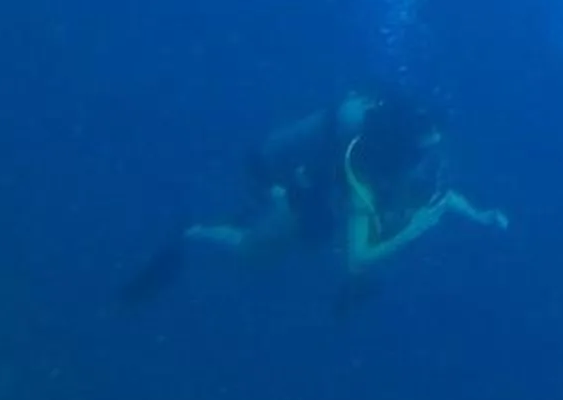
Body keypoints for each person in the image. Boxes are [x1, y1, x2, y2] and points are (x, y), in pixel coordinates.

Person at [122, 90, 508, 309]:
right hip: (309, 184)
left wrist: (481, 214)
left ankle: (262, 209)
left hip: (328, 188)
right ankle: (193, 231)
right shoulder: (366, 175)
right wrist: (416, 229)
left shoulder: (410, 163)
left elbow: (441, 197)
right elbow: (359, 258)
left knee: (298, 243)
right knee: (249, 253)